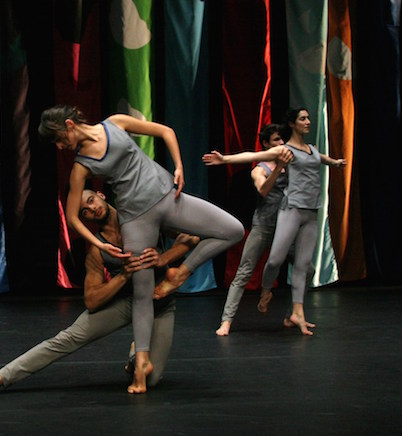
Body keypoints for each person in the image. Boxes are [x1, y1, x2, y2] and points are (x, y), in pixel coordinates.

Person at [39, 105, 272, 393]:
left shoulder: (115, 123)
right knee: (142, 292)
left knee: (233, 229)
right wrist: (99, 243)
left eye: (59, 139)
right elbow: (73, 217)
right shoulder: (80, 166)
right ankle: (142, 364)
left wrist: (178, 166)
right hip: (135, 219)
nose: (61, 146)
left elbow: (165, 131)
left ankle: (181, 274)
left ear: (70, 125)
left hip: (168, 196)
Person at [0, 189, 199, 400]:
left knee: (152, 379)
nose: (92, 209)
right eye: (85, 212)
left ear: (101, 195)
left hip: (160, 304)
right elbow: (91, 300)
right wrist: (123, 276)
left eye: (91, 201)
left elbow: (192, 235)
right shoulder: (97, 251)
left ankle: (135, 355)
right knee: (67, 339)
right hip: (127, 302)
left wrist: (164, 258)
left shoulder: (143, 218)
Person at [258, 107, 346, 336]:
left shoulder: (312, 150)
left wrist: (335, 163)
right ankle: (266, 289)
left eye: (308, 118)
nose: (308, 122)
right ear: (293, 124)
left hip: (311, 213)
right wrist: (224, 159)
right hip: (292, 210)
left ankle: (297, 312)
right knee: (275, 260)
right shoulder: (285, 150)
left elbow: (320, 158)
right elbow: (254, 157)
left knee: (302, 266)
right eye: (303, 119)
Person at [201, 124, 292, 336]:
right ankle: (226, 321)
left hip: (287, 226)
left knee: (308, 270)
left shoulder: (290, 162)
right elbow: (263, 188)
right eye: (276, 140)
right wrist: (224, 160)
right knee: (243, 272)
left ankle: (290, 312)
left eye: (282, 140)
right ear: (267, 145)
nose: (281, 144)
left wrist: (333, 162)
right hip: (264, 226)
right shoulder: (260, 169)